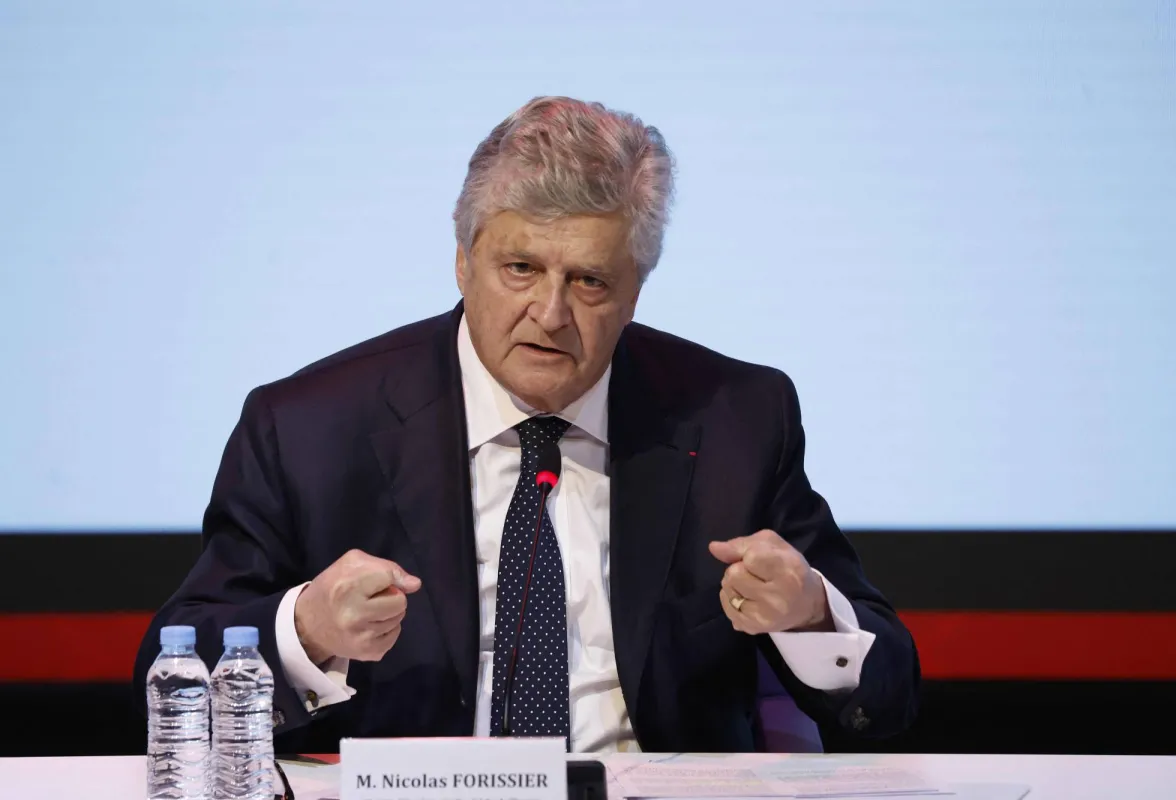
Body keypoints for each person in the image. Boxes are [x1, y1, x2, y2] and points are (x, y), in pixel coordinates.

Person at [134, 96, 919, 753]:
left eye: (589, 281)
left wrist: (809, 615)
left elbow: (889, 695)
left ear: (636, 291)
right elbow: (169, 676)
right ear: (462, 262)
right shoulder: (308, 428)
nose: (549, 313)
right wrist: (304, 629)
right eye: (520, 269)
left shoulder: (734, 418)